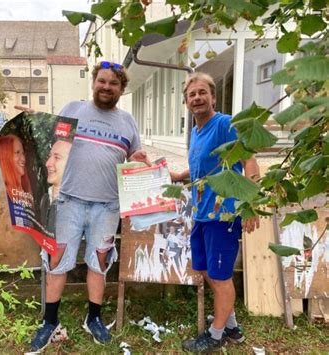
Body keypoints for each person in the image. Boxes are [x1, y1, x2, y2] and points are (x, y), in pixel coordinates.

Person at [30, 61, 150, 351]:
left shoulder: (127, 122)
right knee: (57, 262)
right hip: (69, 200)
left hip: (108, 206)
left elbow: (133, 155)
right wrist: (32, 122)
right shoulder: (73, 109)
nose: (106, 87)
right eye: (102, 81)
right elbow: (49, 140)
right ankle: (50, 321)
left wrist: (139, 159)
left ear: (121, 89)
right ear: (94, 82)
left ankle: (93, 318)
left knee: (99, 262)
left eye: (113, 83)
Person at [168, 72, 260, 353]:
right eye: (192, 94)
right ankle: (230, 324)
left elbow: (251, 164)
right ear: (186, 101)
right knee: (208, 271)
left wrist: (250, 205)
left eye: (202, 92)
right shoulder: (195, 131)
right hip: (202, 214)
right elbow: (200, 167)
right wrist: (178, 175)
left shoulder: (225, 124)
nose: (197, 98)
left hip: (224, 215)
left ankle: (217, 335)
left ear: (213, 96)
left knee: (220, 277)